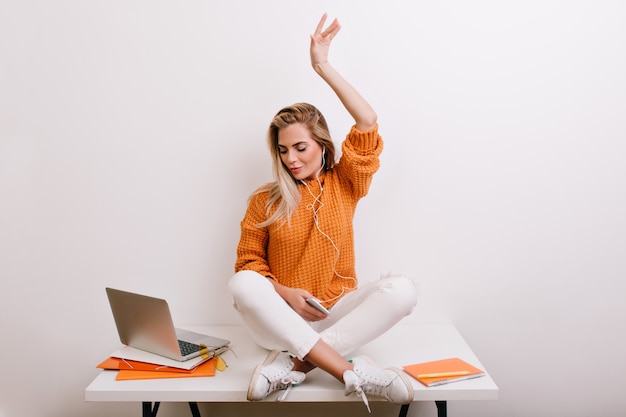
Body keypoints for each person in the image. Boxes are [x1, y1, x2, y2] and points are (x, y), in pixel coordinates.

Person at [228, 14, 418, 411]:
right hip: (280, 322)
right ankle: (352, 371)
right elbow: (248, 265)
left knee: (402, 289)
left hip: (334, 317)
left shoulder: (345, 182)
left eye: (300, 148)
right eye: (283, 150)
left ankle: (293, 366)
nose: (291, 159)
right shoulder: (264, 199)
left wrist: (322, 65)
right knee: (242, 285)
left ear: (322, 145)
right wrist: (285, 294)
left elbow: (367, 120)